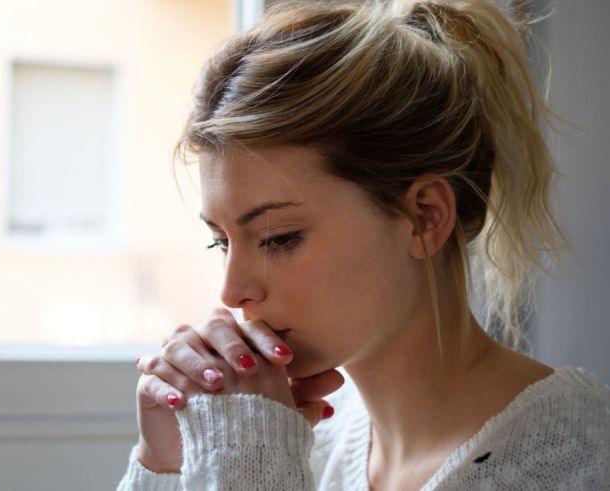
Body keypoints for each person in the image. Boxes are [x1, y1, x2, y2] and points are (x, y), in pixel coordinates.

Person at [117, 0, 610, 489]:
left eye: (277, 238)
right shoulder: (302, 434)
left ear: (424, 217)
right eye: (220, 242)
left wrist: (252, 460)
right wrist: (164, 465)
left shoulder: (579, 456)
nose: (231, 292)